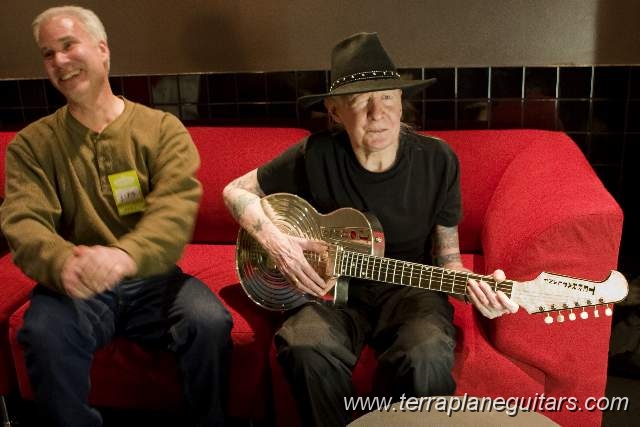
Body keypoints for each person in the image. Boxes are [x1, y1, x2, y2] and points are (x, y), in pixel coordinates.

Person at [223, 32, 519, 426]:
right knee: (302, 345)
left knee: (427, 353)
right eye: (359, 101)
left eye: (387, 98)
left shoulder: (438, 161)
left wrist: (478, 289)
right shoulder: (316, 154)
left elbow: (448, 260)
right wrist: (276, 241)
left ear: (401, 102)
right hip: (332, 292)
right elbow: (234, 190)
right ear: (334, 111)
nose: (376, 113)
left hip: (411, 289)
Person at [0, 6, 232, 427]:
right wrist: (61, 261)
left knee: (210, 322)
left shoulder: (162, 129)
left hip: (153, 277)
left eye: (69, 45)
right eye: (48, 54)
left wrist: (126, 256)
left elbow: (175, 209)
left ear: (103, 51)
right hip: (75, 283)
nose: (59, 62)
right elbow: (24, 221)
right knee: (41, 333)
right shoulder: (31, 146)